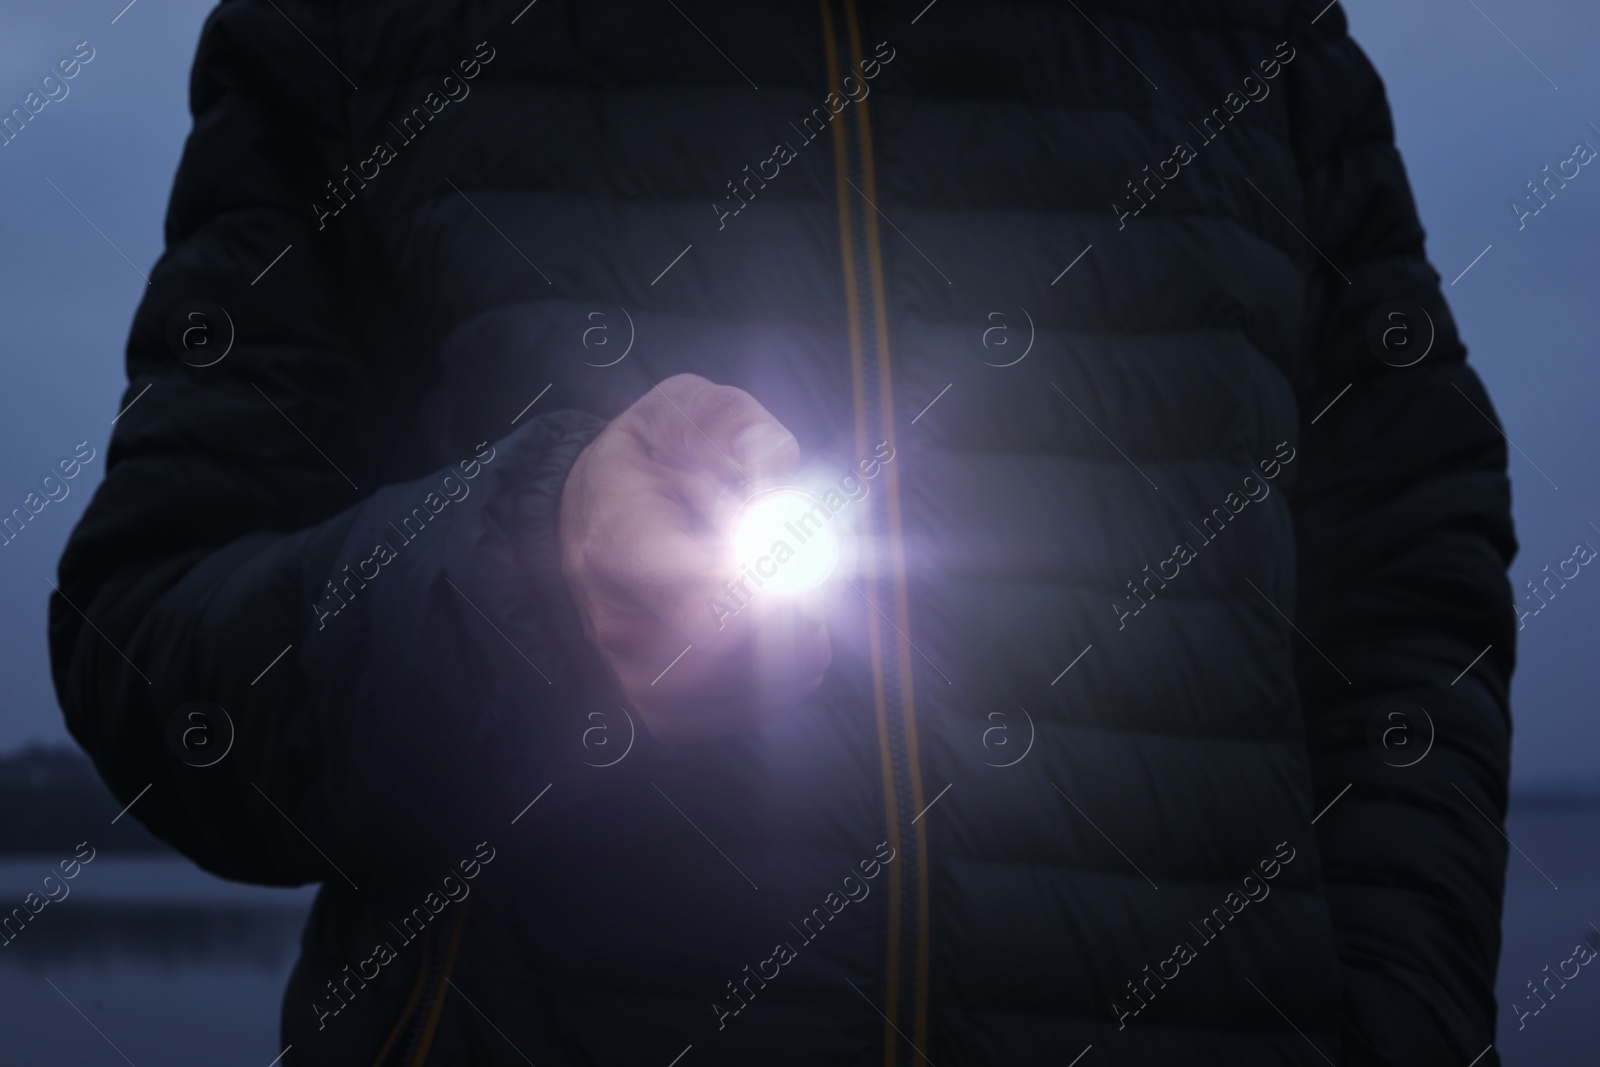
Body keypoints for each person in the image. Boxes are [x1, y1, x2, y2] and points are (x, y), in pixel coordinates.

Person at [50, 0, 1517, 1063]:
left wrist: (1403, 1018)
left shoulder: (1254, 38)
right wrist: (527, 585)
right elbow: (156, 648)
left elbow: (1414, 564)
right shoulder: (362, 30)